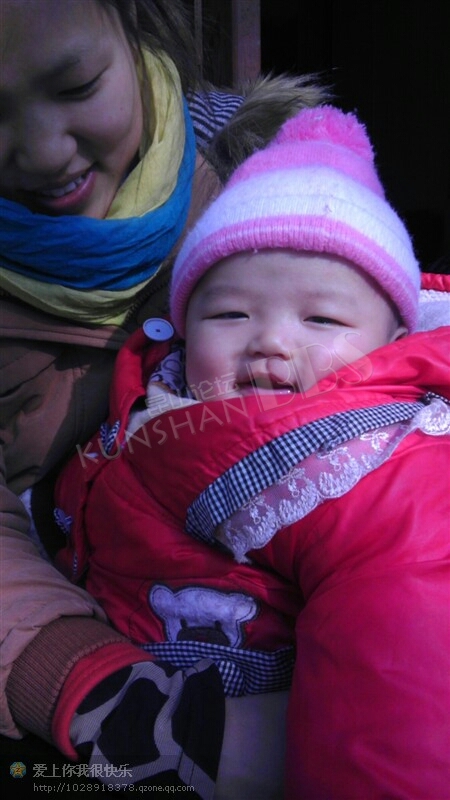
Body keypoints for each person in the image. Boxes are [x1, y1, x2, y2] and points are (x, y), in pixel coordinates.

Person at [54, 105, 450, 797]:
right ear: (181, 327)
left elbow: (402, 666)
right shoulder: (154, 402)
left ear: (393, 341)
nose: (269, 340)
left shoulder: (368, 463)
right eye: (230, 313)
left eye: (322, 318)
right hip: (119, 702)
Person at [0, 0, 328, 795]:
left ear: (141, 27)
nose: (42, 151)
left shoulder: (280, 180)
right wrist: (91, 688)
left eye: (77, 85)